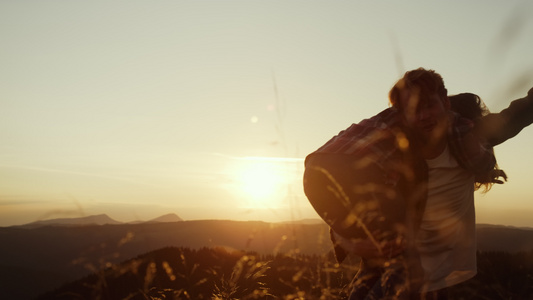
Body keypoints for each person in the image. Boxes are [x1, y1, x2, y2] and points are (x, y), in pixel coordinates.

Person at [303, 68, 533, 299]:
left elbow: (515, 116)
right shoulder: (390, 156)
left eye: (429, 105)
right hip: (395, 271)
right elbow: (337, 187)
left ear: (445, 103)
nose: (423, 115)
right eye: (413, 109)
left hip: (449, 280)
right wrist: (347, 238)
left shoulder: (467, 137)